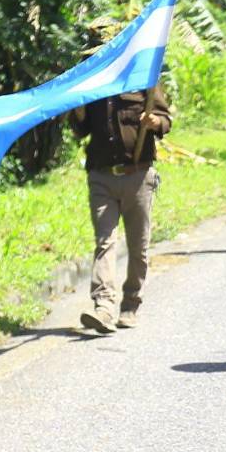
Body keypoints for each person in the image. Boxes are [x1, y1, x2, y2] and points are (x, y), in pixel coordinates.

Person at [68, 85, 172, 334]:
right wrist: (74, 106)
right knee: (105, 241)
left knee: (139, 246)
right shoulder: (96, 81)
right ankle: (103, 307)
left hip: (138, 176)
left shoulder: (143, 78)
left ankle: (130, 305)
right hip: (101, 176)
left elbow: (166, 121)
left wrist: (155, 121)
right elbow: (81, 131)